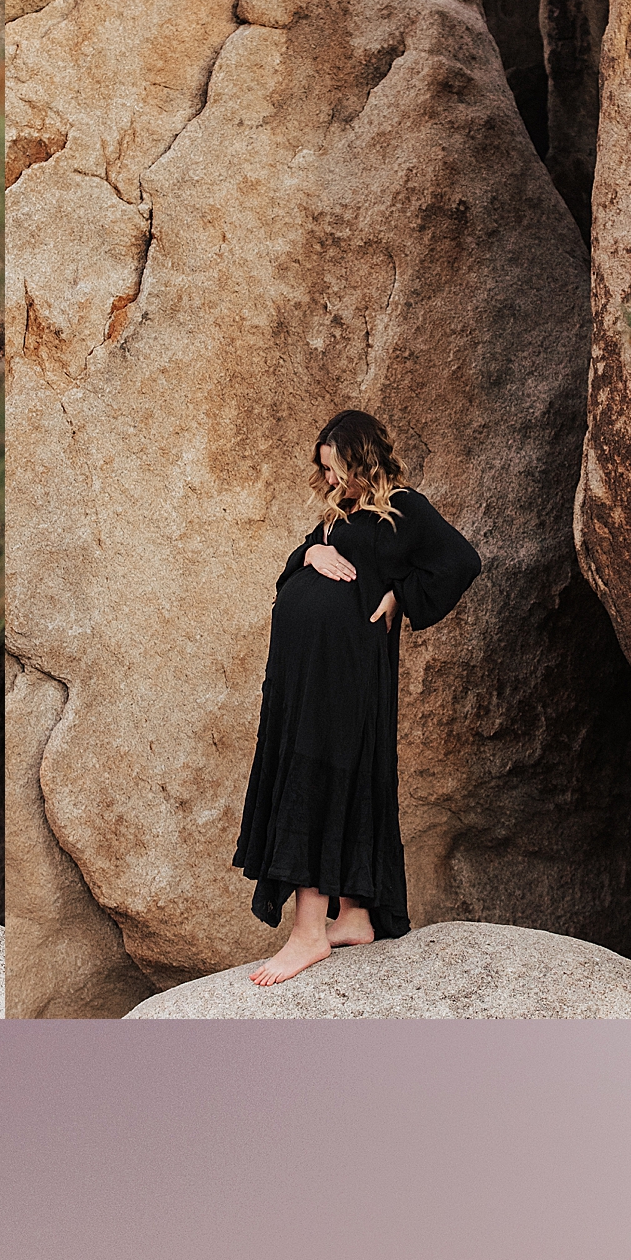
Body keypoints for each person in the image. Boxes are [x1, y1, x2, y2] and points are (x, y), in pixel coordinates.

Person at [232, 411, 481, 985]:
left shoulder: (407, 509)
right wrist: (308, 557)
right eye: (325, 469)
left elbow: (461, 561)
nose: (332, 477)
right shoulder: (338, 514)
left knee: (319, 775)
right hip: (307, 672)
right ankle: (357, 915)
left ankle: (308, 933)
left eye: (338, 465)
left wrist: (400, 595)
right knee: (332, 773)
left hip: (345, 673)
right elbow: (300, 569)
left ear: (363, 456)